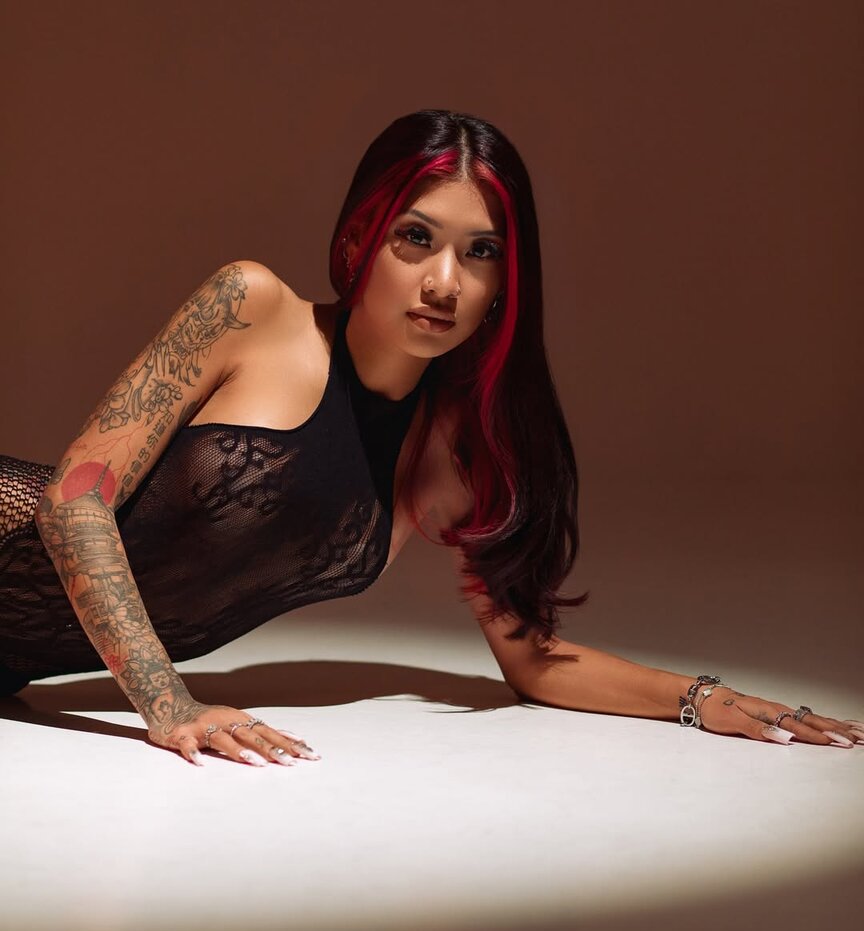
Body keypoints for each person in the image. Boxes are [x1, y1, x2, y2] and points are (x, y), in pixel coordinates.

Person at [0, 108, 860, 767]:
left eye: (480, 252)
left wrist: (700, 700)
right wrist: (167, 704)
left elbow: (534, 663)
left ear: (504, 283)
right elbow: (74, 502)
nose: (444, 282)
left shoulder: (452, 451)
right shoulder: (252, 307)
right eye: (416, 238)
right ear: (359, 240)